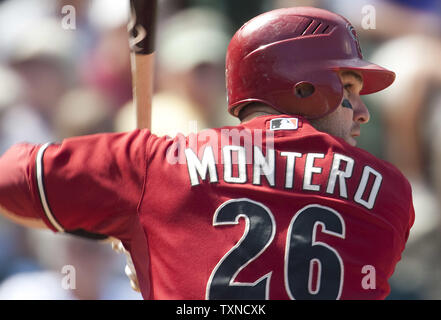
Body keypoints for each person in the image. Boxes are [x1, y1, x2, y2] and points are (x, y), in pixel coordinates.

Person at [0, 7, 414, 300]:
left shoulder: (157, 163)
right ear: (305, 89)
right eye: (349, 90)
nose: (362, 113)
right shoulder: (391, 195)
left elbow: (9, 180)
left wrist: (130, 228)